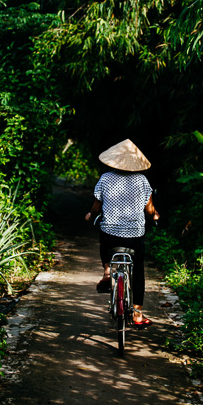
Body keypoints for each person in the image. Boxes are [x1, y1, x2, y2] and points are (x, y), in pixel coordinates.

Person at [84, 139, 160, 328]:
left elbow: (96, 207)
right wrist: (155, 215)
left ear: (115, 161)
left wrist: (90, 215)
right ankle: (138, 315)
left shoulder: (105, 179)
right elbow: (149, 210)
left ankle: (108, 270)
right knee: (139, 269)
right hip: (135, 235)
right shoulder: (142, 180)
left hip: (110, 233)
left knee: (104, 232)